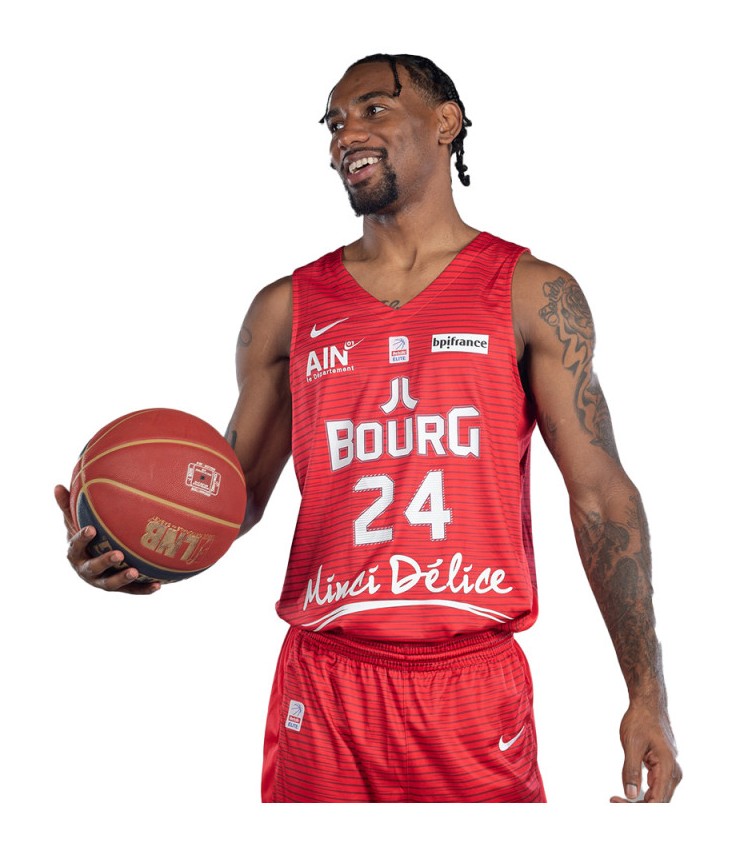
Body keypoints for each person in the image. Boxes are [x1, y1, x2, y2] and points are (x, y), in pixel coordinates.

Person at [55, 53, 682, 803]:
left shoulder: (531, 293)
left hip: (470, 682)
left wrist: (648, 693)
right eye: (334, 121)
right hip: (325, 681)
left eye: (373, 109)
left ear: (446, 123)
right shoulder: (286, 308)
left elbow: (601, 498)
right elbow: (231, 498)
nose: (345, 133)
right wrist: (138, 549)